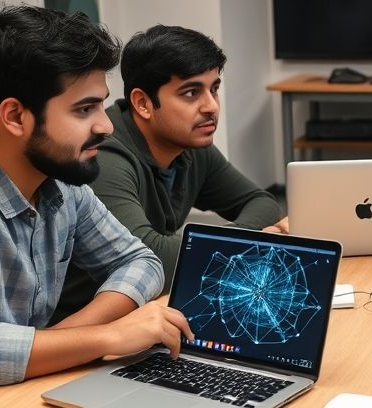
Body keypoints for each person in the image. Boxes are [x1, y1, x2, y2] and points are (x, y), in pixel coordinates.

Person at [0, 4, 192, 406]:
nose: (107, 125)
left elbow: (140, 262)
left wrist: (66, 338)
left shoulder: (60, 180)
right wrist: (107, 336)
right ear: (15, 116)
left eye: (101, 104)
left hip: (34, 390)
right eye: (84, 109)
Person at [53, 25, 286, 321]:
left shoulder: (190, 144)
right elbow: (155, 257)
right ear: (143, 103)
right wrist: (252, 239)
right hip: (82, 331)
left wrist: (236, 240)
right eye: (191, 93)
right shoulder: (103, 155)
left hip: (149, 310)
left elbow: (264, 204)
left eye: (214, 89)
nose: (211, 107)